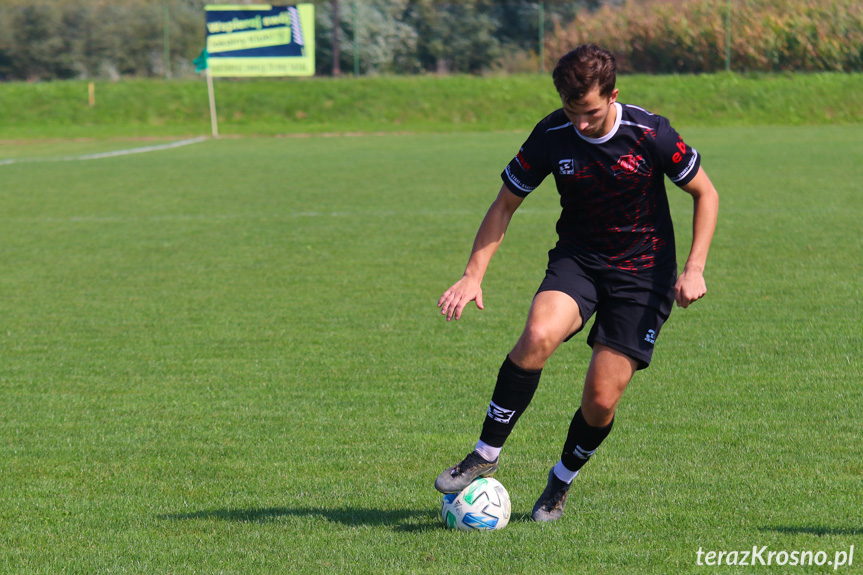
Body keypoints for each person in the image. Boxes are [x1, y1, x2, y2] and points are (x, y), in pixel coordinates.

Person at [434, 44, 719, 522]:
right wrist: (472, 274)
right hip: (580, 261)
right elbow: (505, 204)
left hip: (643, 276)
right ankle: (485, 451)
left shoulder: (650, 133)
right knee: (538, 334)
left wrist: (695, 267)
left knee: (601, 399)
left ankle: (560, 480)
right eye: (572, 111)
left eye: (589, 112)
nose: (580, 124)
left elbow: (705, 193)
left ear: (612, 95)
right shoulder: (553, 133)